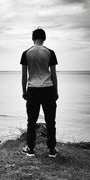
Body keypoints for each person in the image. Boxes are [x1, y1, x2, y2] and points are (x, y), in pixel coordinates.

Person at [20, 28, 59, 157]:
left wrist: (24, 91)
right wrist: (56, 91)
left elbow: (24, 76)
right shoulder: (50, 52)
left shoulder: (26, 53)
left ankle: (30, 149)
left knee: (31, 121)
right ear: (44, 38)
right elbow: (53, 75)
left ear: (33, 38)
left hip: (33, 89)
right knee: (50, 121)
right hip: (48, 88)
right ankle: (52, 150)